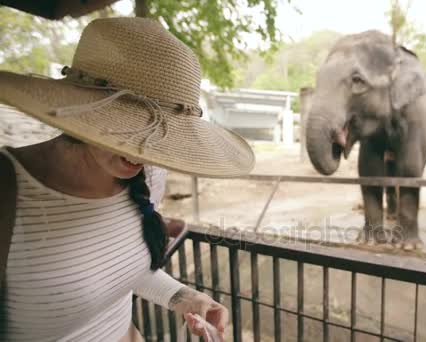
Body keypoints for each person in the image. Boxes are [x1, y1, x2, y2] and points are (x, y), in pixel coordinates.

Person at [0, 17, 255, 341]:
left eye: (160, 137)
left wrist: (184, 297)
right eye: (126, 127)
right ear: (82, 109)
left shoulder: (146, 175)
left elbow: (118, 273)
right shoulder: (10, 191)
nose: (143, 151)